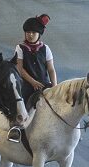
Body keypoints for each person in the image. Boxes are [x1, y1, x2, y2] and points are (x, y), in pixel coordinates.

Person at [5, 14, 58, 143]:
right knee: (22, 102)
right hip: (27, 84)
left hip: (44, 84)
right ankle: (16, 128)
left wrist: (55, 87)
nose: (30, 35)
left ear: (39, 34)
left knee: (59, 103)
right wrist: (32, 82)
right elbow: (20, 68)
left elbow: (51, 69)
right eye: (27, 32)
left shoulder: (46, 49)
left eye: (33, 32)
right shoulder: (20, 47)